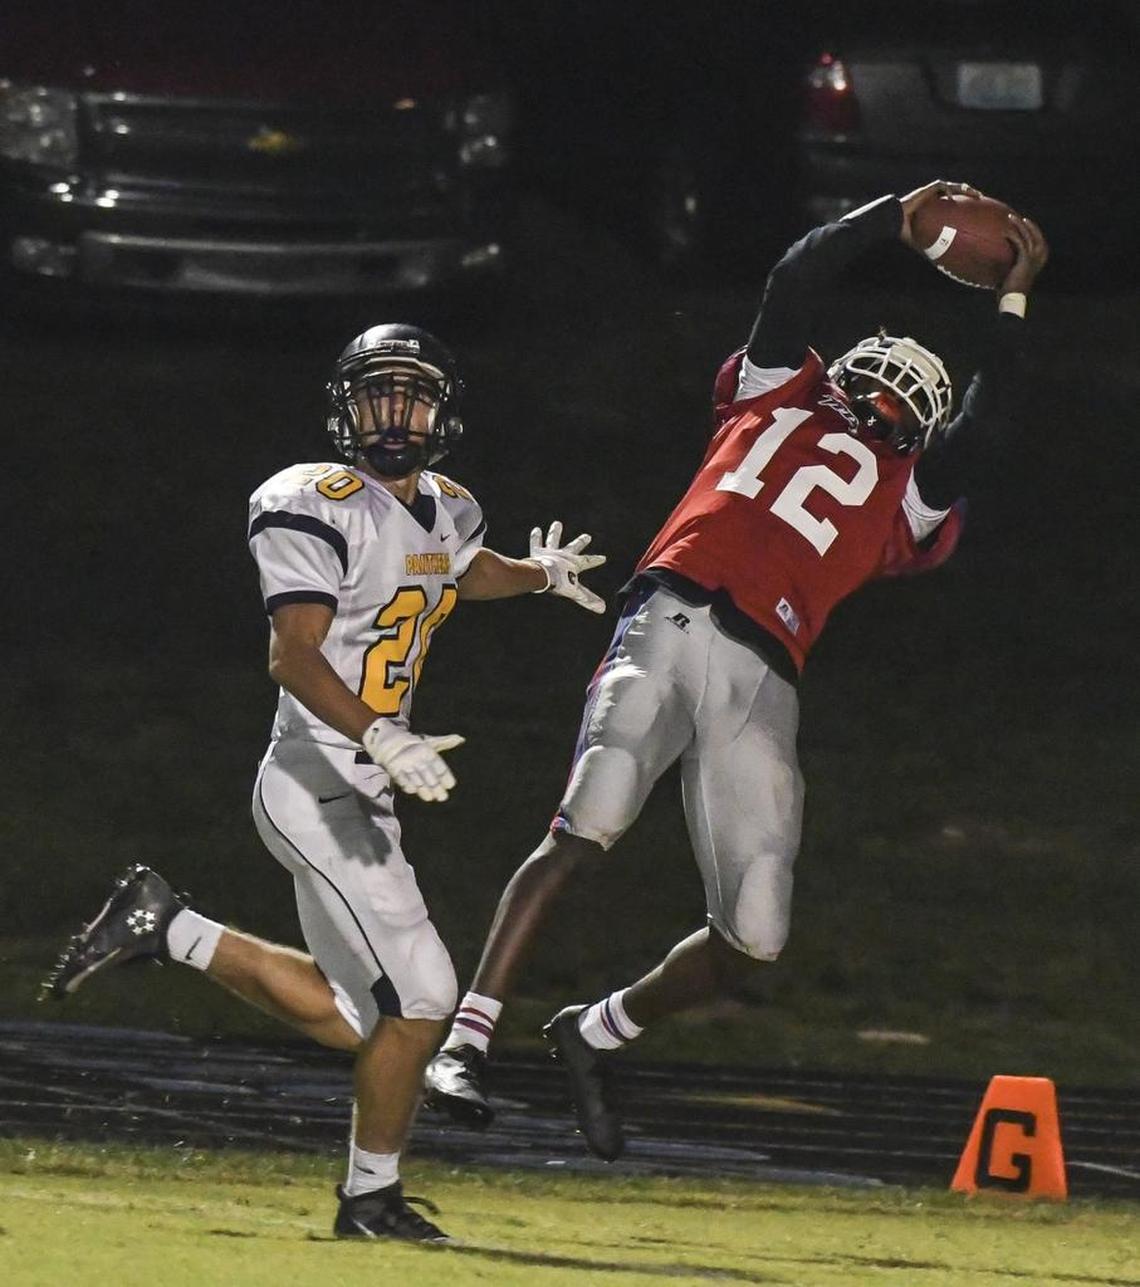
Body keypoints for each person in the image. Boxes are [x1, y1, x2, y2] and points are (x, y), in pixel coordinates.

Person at [423, 183, 1049, 1159]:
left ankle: (596, 1030)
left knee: (755, 935)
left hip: (764, 674)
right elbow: (796, 276)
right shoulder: (778, 393)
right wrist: (893, 215)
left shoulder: (904, 490)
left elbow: (991, 425)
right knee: (587, 822)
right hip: (667, 616)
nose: (887, 384)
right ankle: (465, 1039)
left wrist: (1013, 297)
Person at [41, 323, 606, 1240]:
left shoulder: (451, 507)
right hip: (317, 782)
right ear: (343, 411)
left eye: (410, 396)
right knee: (423, 1000)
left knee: (369, 1017)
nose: (394, 414)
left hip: (364, 787)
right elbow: (293, 657)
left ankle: (166, 925)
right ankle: (370, 1200)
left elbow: (458, 570)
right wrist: (382, 732)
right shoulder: (315, 501)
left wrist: (539, 576)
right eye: (376, 395)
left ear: (442, 412)